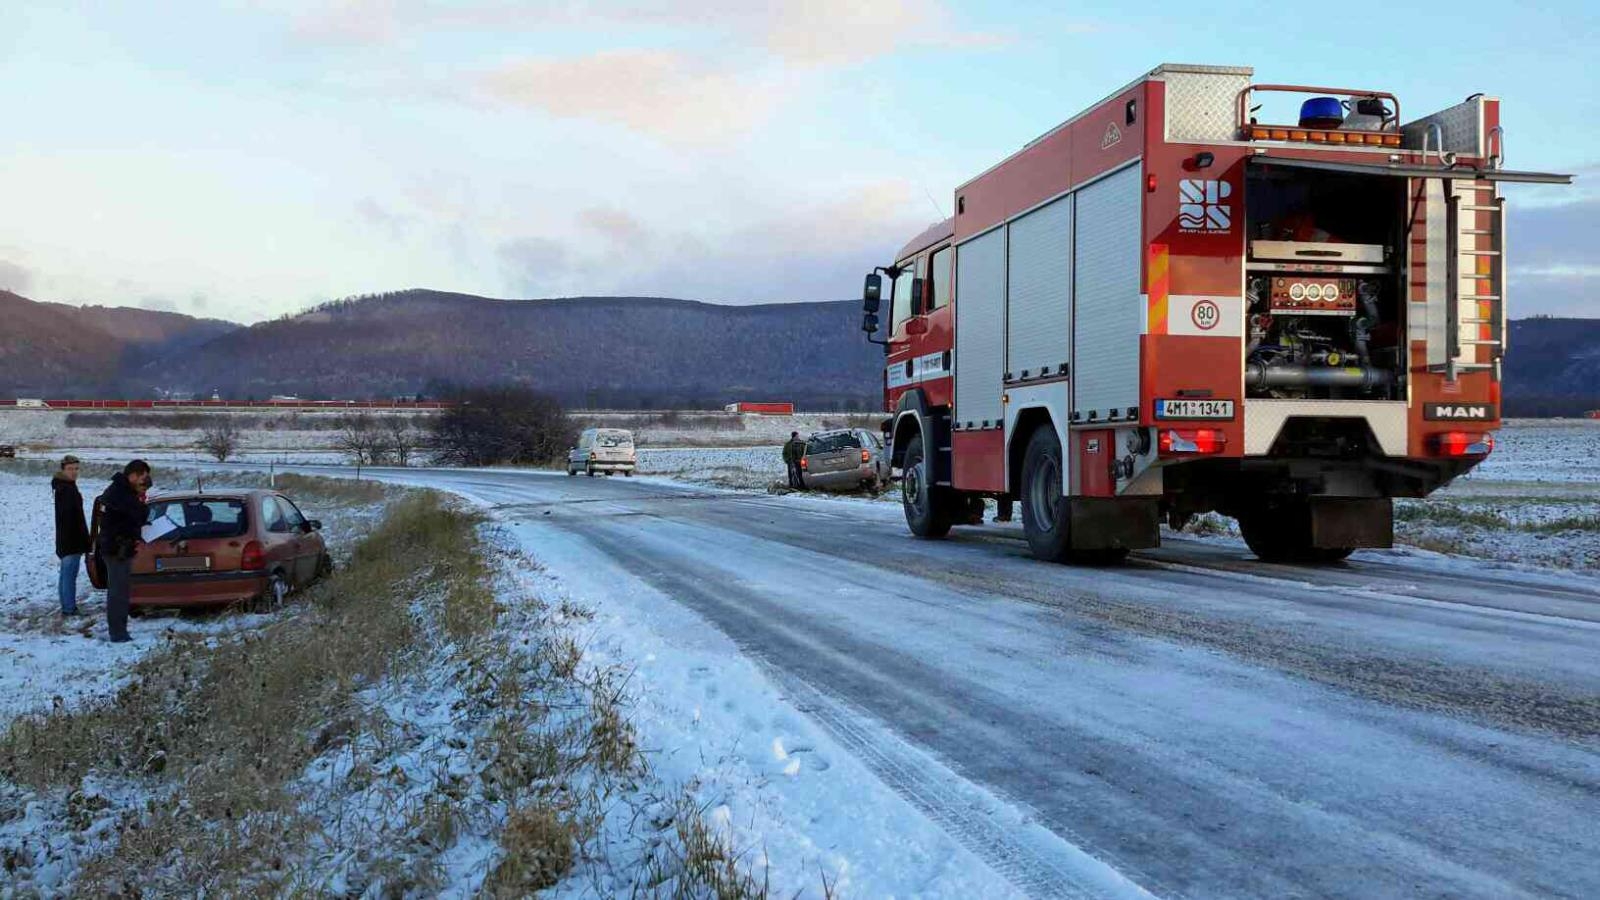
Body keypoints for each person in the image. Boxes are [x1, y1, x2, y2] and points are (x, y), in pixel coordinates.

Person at [96, 459, 152, 644]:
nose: (144, 483)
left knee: (121, 590)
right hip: (116, 549)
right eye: (142, 478)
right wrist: (142, 498)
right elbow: (139, 514)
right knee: (118, 592)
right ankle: (118, 633)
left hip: (120, 547)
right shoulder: (120, 493)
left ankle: (119, 630)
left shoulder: (122, 490)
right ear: (133, 475)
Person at [52, 455, 90, 616]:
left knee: (65, 575)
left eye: (76, 469)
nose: (74, 472)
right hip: (71, 540)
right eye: (70, 469)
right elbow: (71, 518)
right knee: (69, 576)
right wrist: (82, 540)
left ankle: (67, 606)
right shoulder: (66, 489)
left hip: (67, 539)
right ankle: (69, 609)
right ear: (63, 469)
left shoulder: (66, 486)